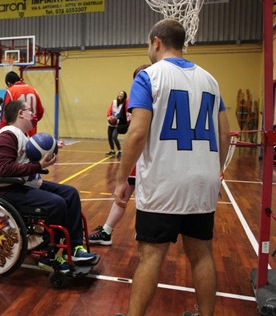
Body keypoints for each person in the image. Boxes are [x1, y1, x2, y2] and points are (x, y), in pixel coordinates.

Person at [113, 19, 231, 316]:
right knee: (201, 254)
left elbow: (137, 133)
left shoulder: (149, 77)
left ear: (156, 42)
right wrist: (213, 173)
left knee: (150, 256)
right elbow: (225, 134)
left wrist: (121, 180)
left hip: (165, 182)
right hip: (203, 183)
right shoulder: (210, 79)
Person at [0, 99, 98, 272]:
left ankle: (76, 247)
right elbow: (4, 169)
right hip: (6, 190)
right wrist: (39, 166)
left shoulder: (24, 136)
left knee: (71, 193)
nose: (34, 114)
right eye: (30, 110)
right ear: (20, 114)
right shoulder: (7, 134)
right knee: (56, 203)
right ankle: (48, 254)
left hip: (24, 184)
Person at [89, 64, 150, 246]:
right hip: (139, 155)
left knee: (145, 199)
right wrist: (117, 120)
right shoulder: (135, 99)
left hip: (150, 155)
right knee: (123, 195)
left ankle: (147, 238)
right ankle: (107, 232)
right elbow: (126, 129)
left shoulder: (155, 97)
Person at [0, 71, 44, 137]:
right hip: (32, 132)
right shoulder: (33, 90)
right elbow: (40, 112)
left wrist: (1, 133)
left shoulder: (10, 91)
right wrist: (31, 122)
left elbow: (5, 115)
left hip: (17, 133)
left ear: (9, 83)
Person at [106, 90, 128, 158]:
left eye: (122, 94)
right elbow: (109, 110)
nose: (120, 95)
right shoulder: (114, 102)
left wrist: (118, 119)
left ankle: (120, 151)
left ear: (124, 96)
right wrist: (109, 117)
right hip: (111, 122)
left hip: (118, 123)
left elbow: (125, 113)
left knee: (114, 137)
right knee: (109, 137)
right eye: (119, 94)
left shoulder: (124, 104)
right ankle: (112, 150)